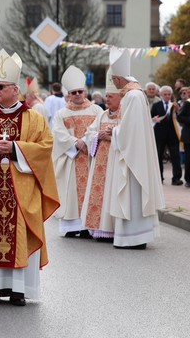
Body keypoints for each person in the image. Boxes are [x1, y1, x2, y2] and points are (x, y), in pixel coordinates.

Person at [0, 49, 59, 306]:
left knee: (17, 233)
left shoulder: (34, 119)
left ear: (14, 90)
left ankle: (18, 289)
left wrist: (16, 149)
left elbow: (44, 148)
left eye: (0, 86)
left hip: (21, 189)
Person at [106, 48, 164, 249]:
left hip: (132, 156)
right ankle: (135, 237)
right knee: (133, 196)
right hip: (134, 151)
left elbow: (128, 132)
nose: (114, 84)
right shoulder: (135, 94)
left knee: (132, 195)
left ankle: (134, 238)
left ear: (119, 79)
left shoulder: (132, 96)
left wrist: (113, 132)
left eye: (114, 80)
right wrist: (118, 130)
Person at [52, 66, 103, 237]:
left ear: (85, 91)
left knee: (90, 190)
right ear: (69, 94)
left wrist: (87, 141)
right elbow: (58, 134)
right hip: (71, 159)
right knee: (70, 193)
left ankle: (88, 225)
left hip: (90, 157)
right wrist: (75, 142)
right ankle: (71, 227)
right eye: (74, 92)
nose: (77, 95)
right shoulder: (62, 113)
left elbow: (100, 129)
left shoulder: (97, 110)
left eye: (80, 91)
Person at [80, 70, 120, 242]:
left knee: (112, 193)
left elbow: (130, 138)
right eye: (106, 96)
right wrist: (98, 136)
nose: (107, 99)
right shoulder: (103, 114)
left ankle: (113, 228)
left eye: (110, 96)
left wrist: (112, 136)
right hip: (99, 164)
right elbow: (89, 133)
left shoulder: (125, 114)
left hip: (116, 163)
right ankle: (100, 228)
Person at [151, 85, 183, 185]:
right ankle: (159, 177)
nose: (167, 96)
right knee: (158, 156)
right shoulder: (156, 105)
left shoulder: (175, 105)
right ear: (160, 95)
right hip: (159, 134)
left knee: (175, 156)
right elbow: (151, 117)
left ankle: (176, 178)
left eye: (169, 94)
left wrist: (178, 111)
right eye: (165, 94)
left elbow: (180, 118)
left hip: (172, 135)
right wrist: (154, 119)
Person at [176, 87, 190, 187]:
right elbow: (180, 116)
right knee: (188, 159)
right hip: (188, 136)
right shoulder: (188, 103)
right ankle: (188, 180)